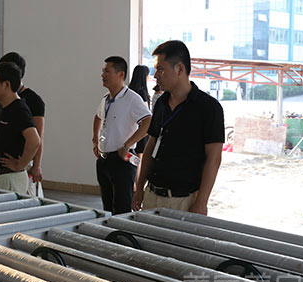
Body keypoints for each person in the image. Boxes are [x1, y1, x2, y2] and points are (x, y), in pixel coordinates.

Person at [132, 40, 224, 215]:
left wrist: (201, 202)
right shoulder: (161, 103)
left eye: (161, 69)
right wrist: (140, 187)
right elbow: (151, 144)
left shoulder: (208, 108)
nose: (156, 75)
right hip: (152, 195)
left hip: (184, 201)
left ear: (180, 69)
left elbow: (214, 158)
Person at [92, 56, 151, 215]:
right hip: (104, 160)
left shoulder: (132, 98)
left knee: (122, 208)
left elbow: (148, 122)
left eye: (107, 71)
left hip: (122, 161)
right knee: (107, 208)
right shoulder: (106, 98)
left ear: (121, 74)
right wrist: (95, 140)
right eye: (103, 71)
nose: (103, 75)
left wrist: (127, 144)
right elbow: (98, 116)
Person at [0, 52, 45, 193]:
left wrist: (20, 165)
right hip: (1, 177)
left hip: (9, 179)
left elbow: (35, 140)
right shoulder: (4, 106)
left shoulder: (19, 109)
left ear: (6, 84)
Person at [128, 64, 151, 155]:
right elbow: (146, 113)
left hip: (131, 129)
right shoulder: (142, 92)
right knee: (139, 157)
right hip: (141, 130)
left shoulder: (129, 91)